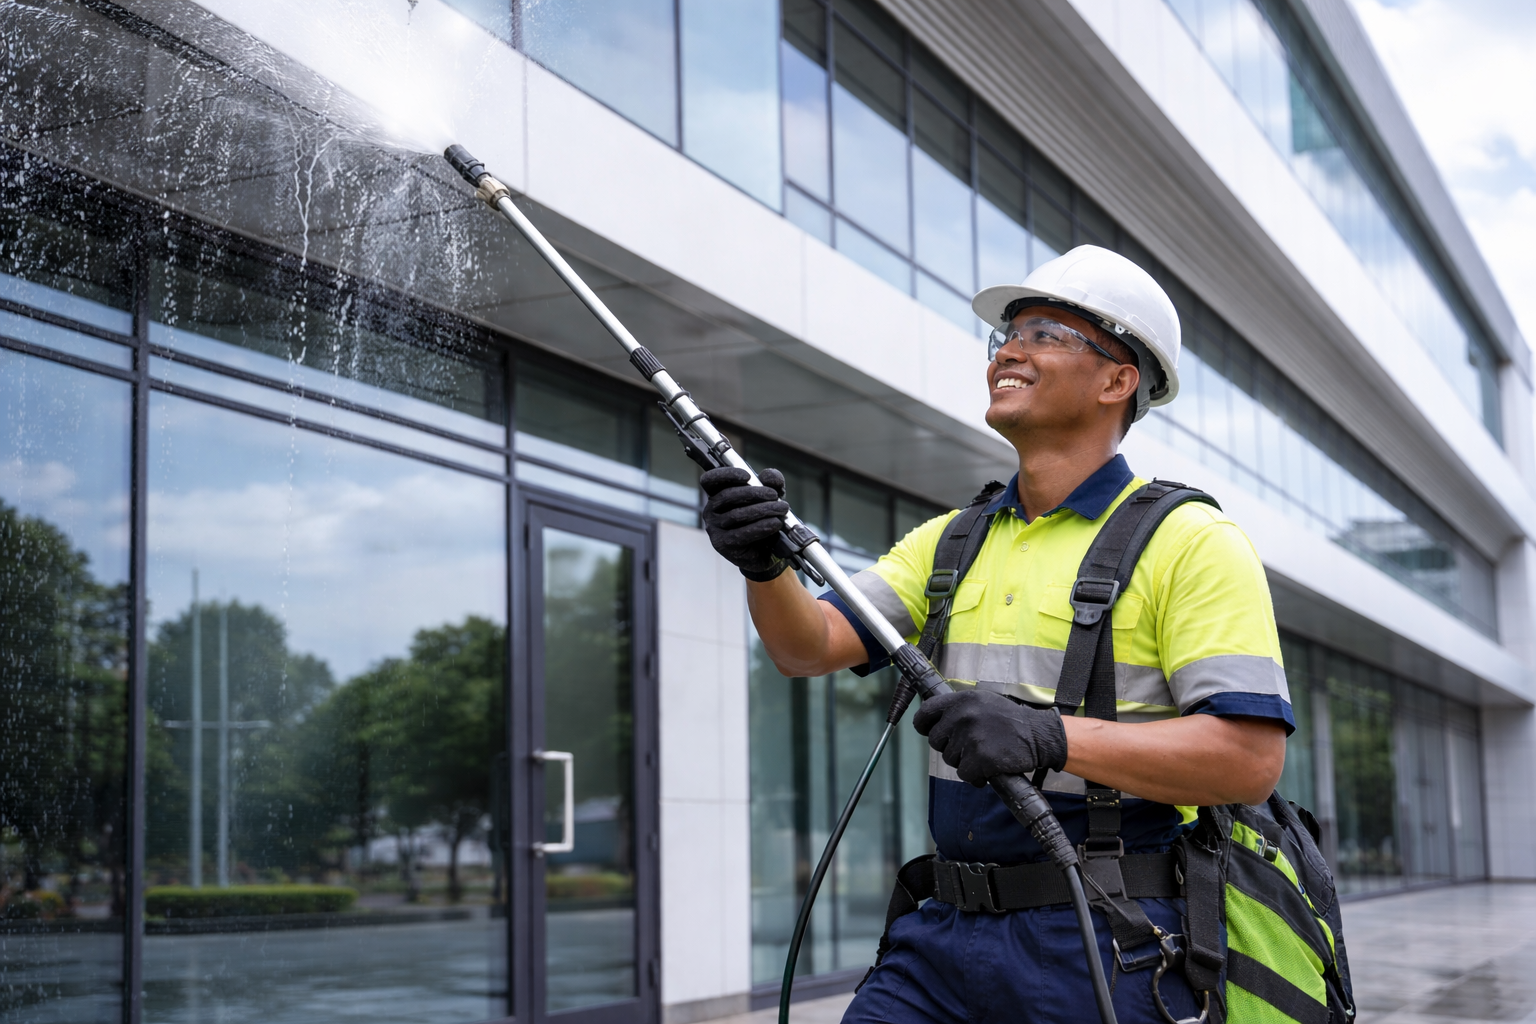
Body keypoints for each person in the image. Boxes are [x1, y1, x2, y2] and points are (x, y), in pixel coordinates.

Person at [699, 246, 1292, 1024]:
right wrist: (763, 564)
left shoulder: (1192, 542)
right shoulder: (952, 541)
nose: (1008, 351)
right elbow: (806, 645)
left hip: (1106, 938)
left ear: (1119, 380)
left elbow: (1249, 761)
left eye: (1045, 333)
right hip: (941, 935)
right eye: (1005, 336)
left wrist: (1048, 737)